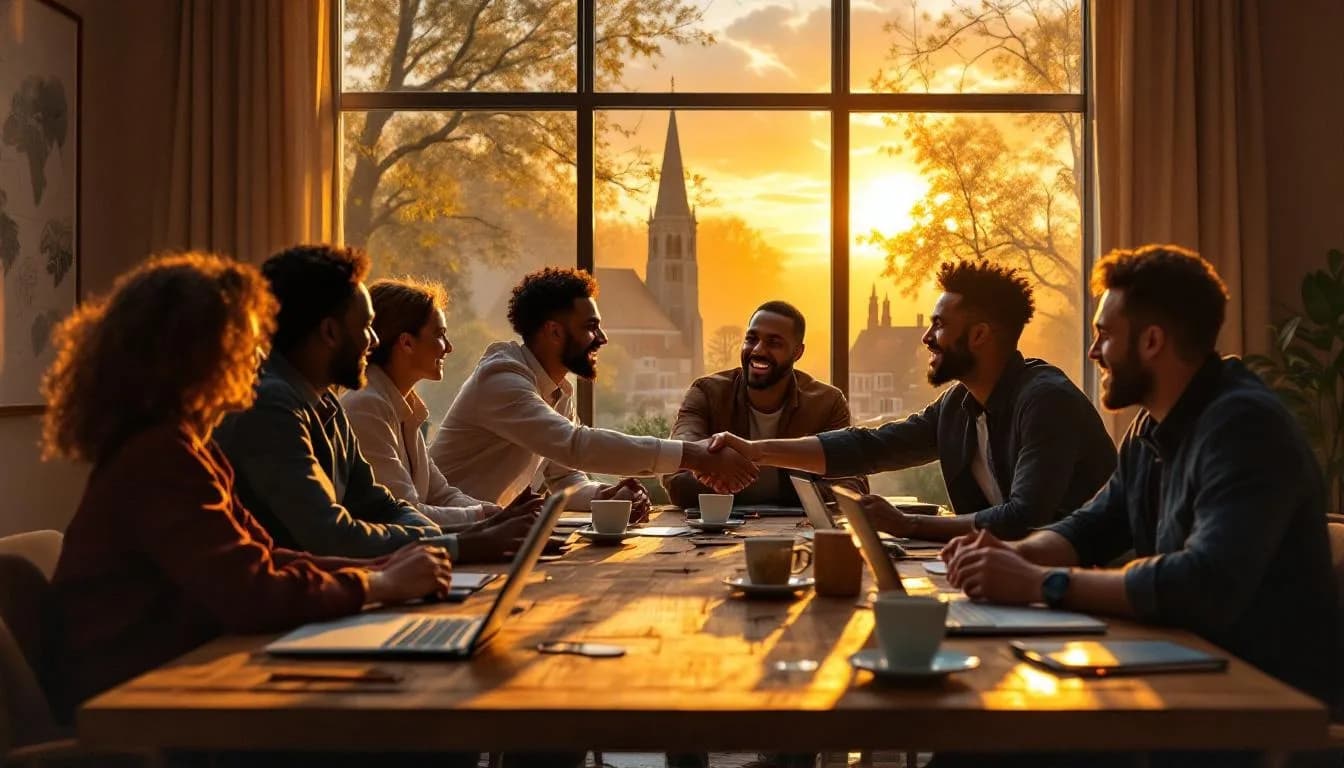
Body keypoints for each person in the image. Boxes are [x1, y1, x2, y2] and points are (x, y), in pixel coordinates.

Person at [942, 245, 1338, 767]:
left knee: (989, 746)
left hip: (1252, 703)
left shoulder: (1244, 427)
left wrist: (1042, 584)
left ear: (1152, 341)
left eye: (1105, 334)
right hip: (1182, 669)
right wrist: (1018, 556)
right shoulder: (1152, 424)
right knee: (979, 730)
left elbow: (1203, 583)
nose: (1093, 352)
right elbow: (1093, 525)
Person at [41, 253, 454, 729]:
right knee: (403, 730)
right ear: (200, 354)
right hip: (139, 709)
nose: (259, 356)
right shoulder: (160, 457)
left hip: (182, 682)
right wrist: (379, 583)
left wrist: (381, 567)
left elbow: (265, 555)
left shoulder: (188, 447)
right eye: (247, 341)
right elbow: (253, 590)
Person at [710, 259, 1115, 542]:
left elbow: (1023, 519)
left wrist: (907, 525)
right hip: (1016, 578)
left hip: (1084, 585)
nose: (925, 338)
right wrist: (754, 451)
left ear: (978, 336)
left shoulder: (1046, 401)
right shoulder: (959, 405)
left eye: (939, 325)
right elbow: (872, 446)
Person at [214, 245, 537, 562]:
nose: (374, 340)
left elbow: (382, 506)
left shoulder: (325, 401)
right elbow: (331, 535)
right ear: (329, 332)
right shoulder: (270, 405)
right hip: (292, 606)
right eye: (366, 326)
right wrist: (463, 545)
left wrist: (473, 534)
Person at [429, 266, 757, 514]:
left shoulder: (557, 389)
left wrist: (604, 495)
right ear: (554, 332)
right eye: (591, 327)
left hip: (492, 539)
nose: (602, 338)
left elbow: (566, 480)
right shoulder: (502, 379)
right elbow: (575, 444)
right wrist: (695, 455)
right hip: (450, 538)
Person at [342, 277, 516, 527]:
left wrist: (500, 513)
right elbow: (403, 513)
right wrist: (486, 517)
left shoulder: (404, 407)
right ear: (406, 343)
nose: (449, 348)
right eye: (440, 334)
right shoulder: (366, 407)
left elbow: (442, 494)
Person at [663, 300, 867, 507]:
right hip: (719, 533)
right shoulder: (706, 392)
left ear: (797, 353)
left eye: (774, 343)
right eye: (751, 339)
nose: (758, 350)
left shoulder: (828, 403)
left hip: (797, 534)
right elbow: (676, 476)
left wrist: (734, 475)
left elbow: (853, 484)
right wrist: (804, 488)